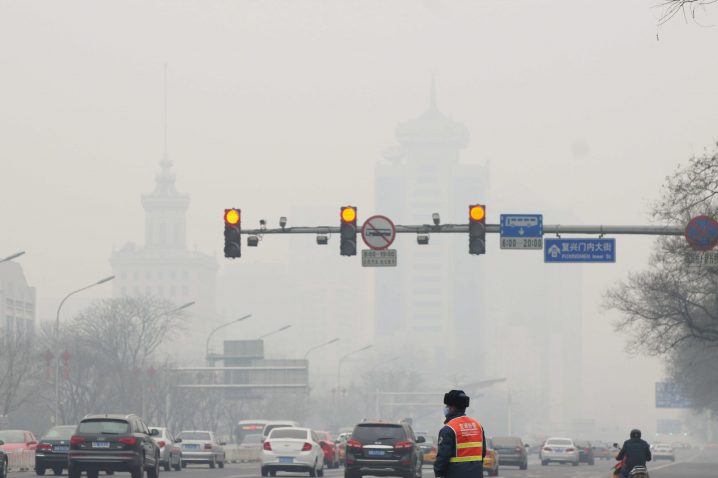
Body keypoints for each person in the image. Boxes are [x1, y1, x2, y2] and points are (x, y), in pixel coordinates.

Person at [434, 390, 486, 478]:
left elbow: (443, 456)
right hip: (476, 474)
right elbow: (483, 452)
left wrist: (438, 473)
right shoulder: (478, 426)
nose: (445, 408)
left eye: (447, 406)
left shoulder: (449, 429)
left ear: (452, 408)